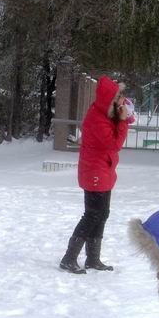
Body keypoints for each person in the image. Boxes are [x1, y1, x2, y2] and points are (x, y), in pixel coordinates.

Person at [60, 76, 134, 274]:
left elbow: (122, 122)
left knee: (102, 213)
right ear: (109, 99)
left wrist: (124, 115)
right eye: (118, 96)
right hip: (94, 171)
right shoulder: (97, 119)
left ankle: (93, 259)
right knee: (92, 215)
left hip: (104, 170)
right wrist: (124, 121)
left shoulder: (105, 113)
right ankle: (69, 258)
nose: (122, 99)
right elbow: (114, 144)